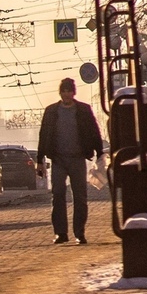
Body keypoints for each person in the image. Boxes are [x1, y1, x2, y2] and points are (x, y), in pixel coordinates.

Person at [36, 77, 105, 245]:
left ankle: (79, 233)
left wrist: (99, 152)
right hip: (58, 159)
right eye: (64, 91)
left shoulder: (83, 110)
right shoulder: (51, 111)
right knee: (58, 195)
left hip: (77, 158)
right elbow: (44, 135)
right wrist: (40, 160)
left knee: (80, 197)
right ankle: (60, 233)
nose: (66, 94)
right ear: (60, 93)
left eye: (69, 91)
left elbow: (94, 131)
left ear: (74, 92)